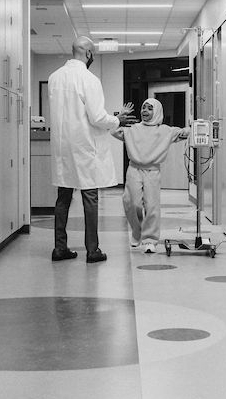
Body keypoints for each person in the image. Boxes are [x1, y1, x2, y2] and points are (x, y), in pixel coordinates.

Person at [47, 36, 133, 263]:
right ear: (88, 54)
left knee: (63, 197)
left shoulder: (54, 78)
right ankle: (92, 250)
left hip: (62, 146)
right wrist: (117, 119)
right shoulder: (89, 79)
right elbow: (96, 117)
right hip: (84, 146)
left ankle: (59, 248)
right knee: (90, 196)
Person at [112, 97, 189, 253]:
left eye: (149, 108)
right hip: (134, 169)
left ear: (157, 111)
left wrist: (202, 126)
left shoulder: (166, 131)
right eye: (143, 107)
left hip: (153, 171)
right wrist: (120, 115)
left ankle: (150, 240)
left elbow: (185, 132)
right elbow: (113, 131)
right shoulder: (132, 129)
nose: (144, 111)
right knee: (131, 203)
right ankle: (137, 231)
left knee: (152, 206)